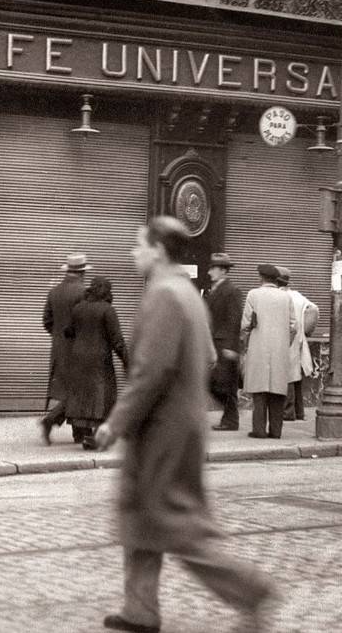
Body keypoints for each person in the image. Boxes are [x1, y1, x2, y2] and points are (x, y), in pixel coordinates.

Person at [95, 216, 275, 633]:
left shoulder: (163, 295)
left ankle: (251, 591)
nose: (132, 253)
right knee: (143, 515)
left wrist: (116, 423)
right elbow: (210, 357)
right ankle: (139, 609)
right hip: (180, 425)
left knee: (175, 524)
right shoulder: (190, 294)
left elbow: (151, 373)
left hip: (164, 431)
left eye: (138, 246)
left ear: (157, 249)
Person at [64, 276, 128, 450]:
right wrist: (126, 360)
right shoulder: (108, 310)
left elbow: (68, 331)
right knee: (103, 396)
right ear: (106, 291)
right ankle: (96, 436)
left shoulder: (78, 308)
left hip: (78, 358)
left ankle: (82, 433)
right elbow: (117, 340)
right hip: (100, 360)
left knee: (81, 395)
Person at [239, 264, 296, 440]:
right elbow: (294, 327)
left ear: (261, 278)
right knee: (278, 391)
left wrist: (245, 344)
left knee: (260, 391)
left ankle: (259, 430)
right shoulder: (286, 297)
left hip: (259, 347)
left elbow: (245, 324)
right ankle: (276, 431)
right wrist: (285, 343)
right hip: (280, 350)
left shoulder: (253, 295)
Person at [40, 253, 91, 445]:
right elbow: (87, 321)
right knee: (81, 390)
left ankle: (80, 433)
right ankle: (51, 421)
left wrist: (59, 337)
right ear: (82, 273)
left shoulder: (54, 292)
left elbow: (46, 321)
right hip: (80, 348)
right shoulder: (84, 293)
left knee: (75, 390)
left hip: (59, 349)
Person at [204, 253, 244, 432]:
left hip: (225, 346)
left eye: (213, 268)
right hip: (215, 344)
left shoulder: (232, 291)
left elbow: (234, 320)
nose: (210, 271)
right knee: (221, 383)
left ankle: (231, 420)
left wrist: (230, 346)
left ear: (222, 271)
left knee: (225, 383)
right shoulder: (214, 290)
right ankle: (231, 419)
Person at [276, 267, 318, 422]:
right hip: (298, 340)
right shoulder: (297, 296)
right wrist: (306, 332)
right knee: (295, 376)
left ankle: (288, 412)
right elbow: (314, 309)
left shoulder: (280, 296)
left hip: (285, 339)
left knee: (287, 376)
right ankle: (299, 412)